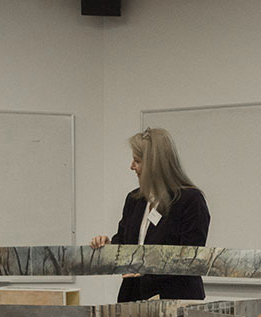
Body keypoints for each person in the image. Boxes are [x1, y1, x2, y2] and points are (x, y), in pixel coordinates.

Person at [90, 127, 211, 301]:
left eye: (137, 161)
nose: (132, 166)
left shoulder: (190, 200)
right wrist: (108, 247)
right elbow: (123, 241)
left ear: (154, 164)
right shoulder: (134, 199)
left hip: (174, 299)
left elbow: (191, 258)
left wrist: (146, 270)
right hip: (132, 299)